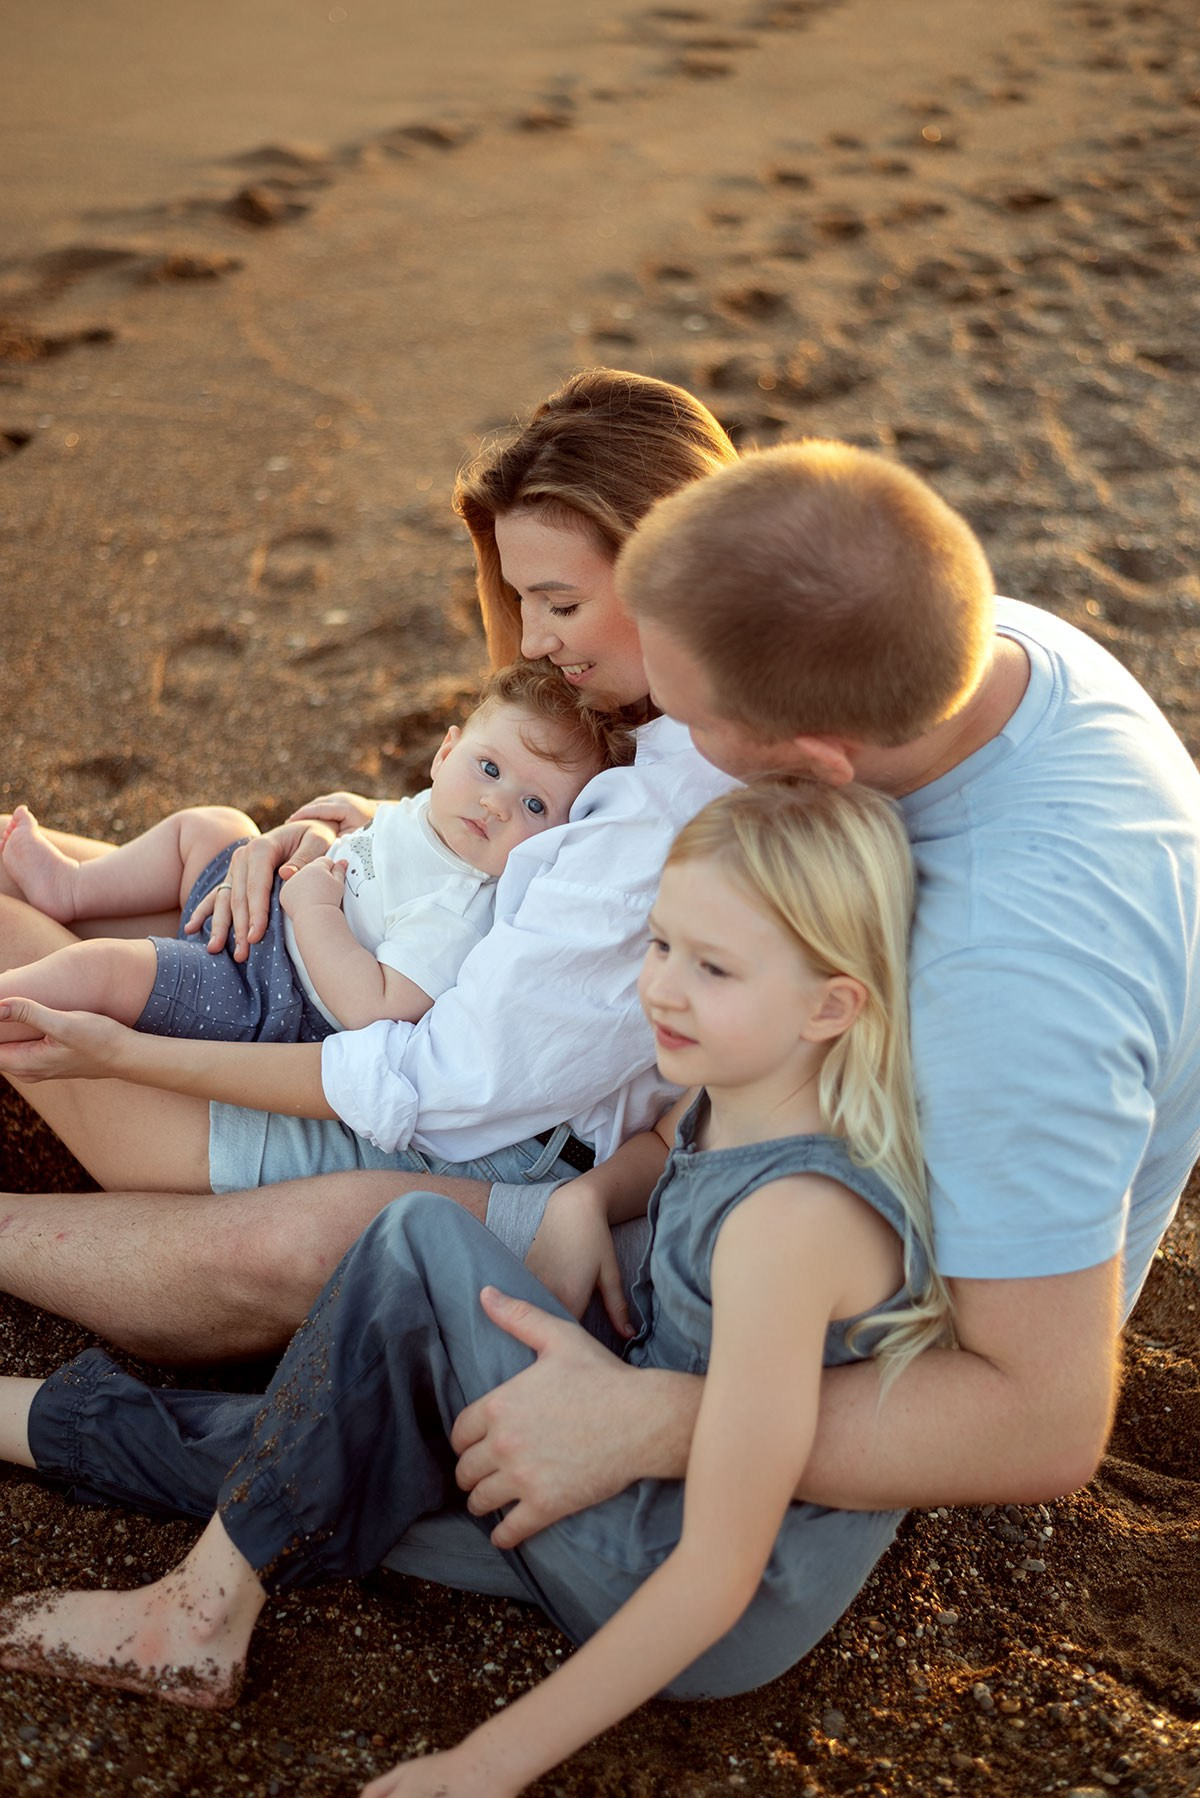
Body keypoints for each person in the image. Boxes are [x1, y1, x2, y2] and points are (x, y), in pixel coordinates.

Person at [0, 781, 953, 1798]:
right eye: (661, 944)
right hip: (631, 1413)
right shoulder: (745, 1073)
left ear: (833, 1003)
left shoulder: (791, 1227)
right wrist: (587, 1197)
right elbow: (672, 1138)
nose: (663, 991)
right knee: (326, 1440)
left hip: (669, 1567)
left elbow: (717, 1574)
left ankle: (196, 1612)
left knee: (412, 1247)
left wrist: (481, 1767)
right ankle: (26, 1419)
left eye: (712, 966)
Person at [0, 368, 738, 1366]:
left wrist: (126, 1052)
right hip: (372, 1014)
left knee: (42, 947)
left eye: (557, 601)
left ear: (677, 567)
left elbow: (428, 1081)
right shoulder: (651, 730)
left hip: (421, 1110)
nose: (531, 639)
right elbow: (462, 870)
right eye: (523, 600)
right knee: (103, 898)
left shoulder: (651, 823)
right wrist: (347, 834)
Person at [0, 663, 629, 1044]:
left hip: (267, 995)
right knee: (210, 825)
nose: (497, 804)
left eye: (536, 807)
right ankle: (73, 887)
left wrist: (313, 912)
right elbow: (385, 842)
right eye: (489, 767)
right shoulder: (434, 812)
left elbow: (374, 1008)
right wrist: (345, 827)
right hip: (261, 915)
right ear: (445, 754)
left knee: (104, 970)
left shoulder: (461, 906)